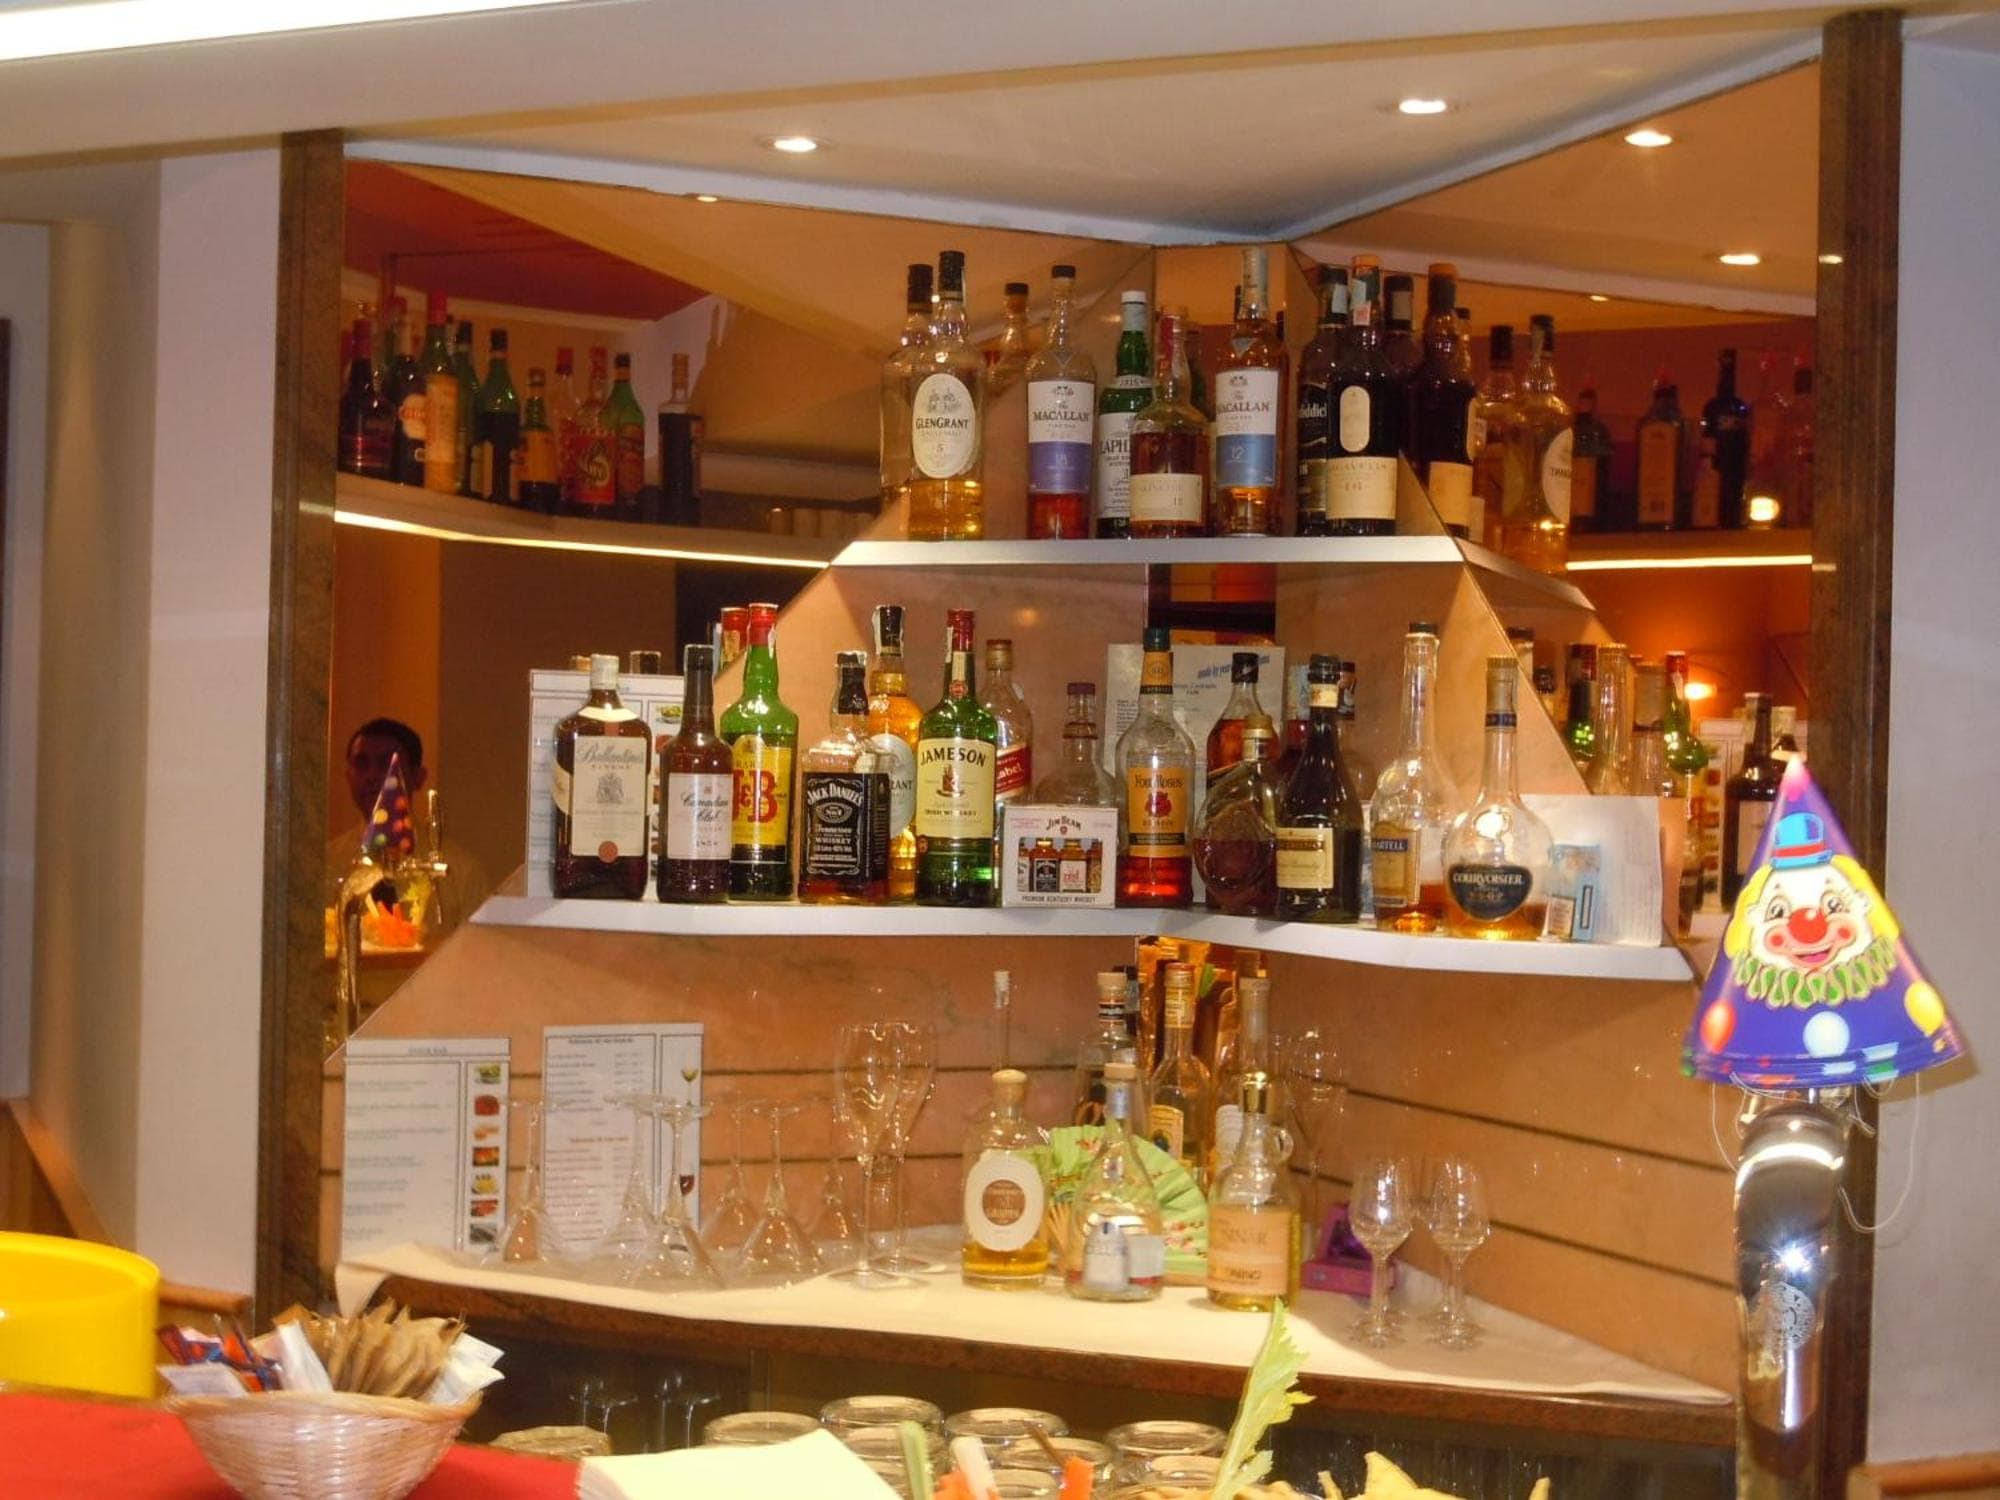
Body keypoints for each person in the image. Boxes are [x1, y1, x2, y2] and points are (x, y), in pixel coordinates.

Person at [326, 718, 492, 1002]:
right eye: (362, 764)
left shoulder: (459, 871)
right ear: (348, 774)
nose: (373, 775)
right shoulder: (328, 864)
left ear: (418, 776)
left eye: (386, 764)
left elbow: (480, 967)